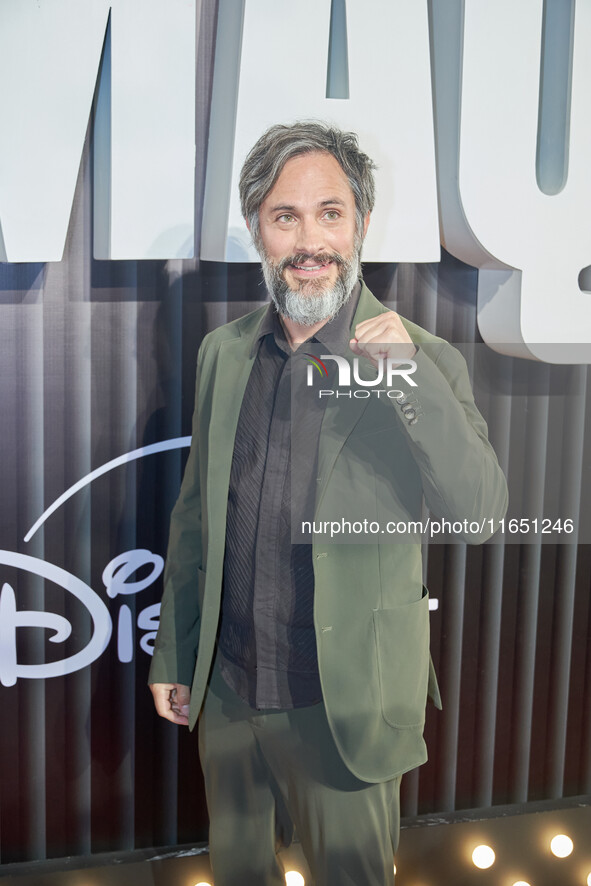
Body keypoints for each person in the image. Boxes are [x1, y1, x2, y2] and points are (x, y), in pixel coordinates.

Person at [149, 121, 508, 886]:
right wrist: (178, 653)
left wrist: (407, 383)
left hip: (343, 706)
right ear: (258, 231)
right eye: (286, 216)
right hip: (231, 694)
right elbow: (197, 520)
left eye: (330, 213)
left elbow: (479, 513)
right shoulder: (225, 351)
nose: (310, 240)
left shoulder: (418, 356)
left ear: (361, 224)